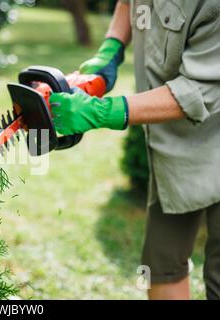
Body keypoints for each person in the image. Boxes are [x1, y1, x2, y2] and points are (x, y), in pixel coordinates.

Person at [50, 0, 220, 300]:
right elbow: (130, 3)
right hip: (176, 143)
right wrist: (110, 52)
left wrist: (106, 112)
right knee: (161, 266)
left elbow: (202, 90)